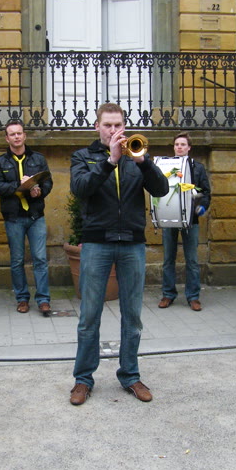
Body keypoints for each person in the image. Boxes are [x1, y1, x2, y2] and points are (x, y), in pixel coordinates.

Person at [68, 103, 169, 406]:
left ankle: (130, 375)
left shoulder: (136, 155)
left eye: (118, 125)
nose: (113, 130)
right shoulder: (83, 157)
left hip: (132, 243)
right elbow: (80, 188)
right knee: (89, 316)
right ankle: (83, 379)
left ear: (124, 126)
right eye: (107, 125)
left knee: (133, 315)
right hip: (96, 243)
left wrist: (143, 163)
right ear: (97, 127)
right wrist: (110, 161)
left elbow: (162, 189)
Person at [0, 121, 53, 314]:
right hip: (13, 218)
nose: (16, 137)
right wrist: (20, 186)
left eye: (19, 133)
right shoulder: (0, 162)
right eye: (12, 134)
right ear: (7, 138)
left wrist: (39, 190)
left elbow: (48, 182)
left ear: (24, 136)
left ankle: (43, 299)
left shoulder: (38, 159)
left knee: (40, 259)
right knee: (17, 260)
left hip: (36, 216)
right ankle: (22, 298)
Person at [158, 133, 211, 311]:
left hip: (191, 219)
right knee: (168, 258)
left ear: (189, 148)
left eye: (183, 144)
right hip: (169, 217)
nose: (179, 147)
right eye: (177, 144)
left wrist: (202, 206)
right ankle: (168, 294)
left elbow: (205, 192)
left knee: (192, 260)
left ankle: (193, 297)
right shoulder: (166, 166)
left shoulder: (198, 167)